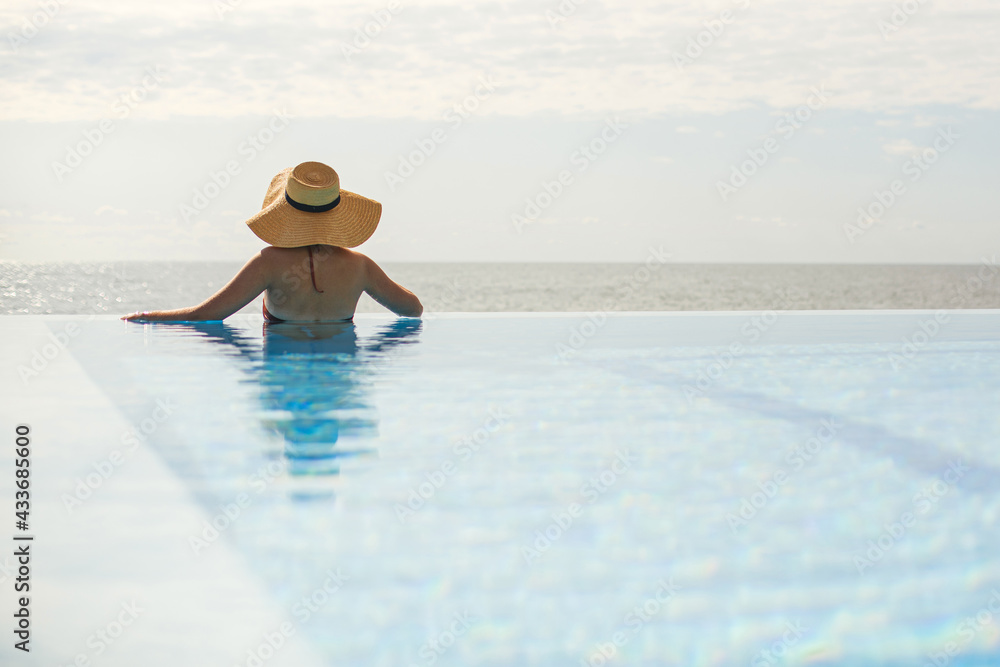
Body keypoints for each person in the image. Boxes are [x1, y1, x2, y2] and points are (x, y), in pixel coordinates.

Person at [122, 161, 422, 322]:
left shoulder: (269, 263)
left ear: (287, 211)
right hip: (338, 375)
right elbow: (412, 310)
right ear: (337, 212)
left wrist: (145, 317)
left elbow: (205, 315)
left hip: (286, 375)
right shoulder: (361, 267)